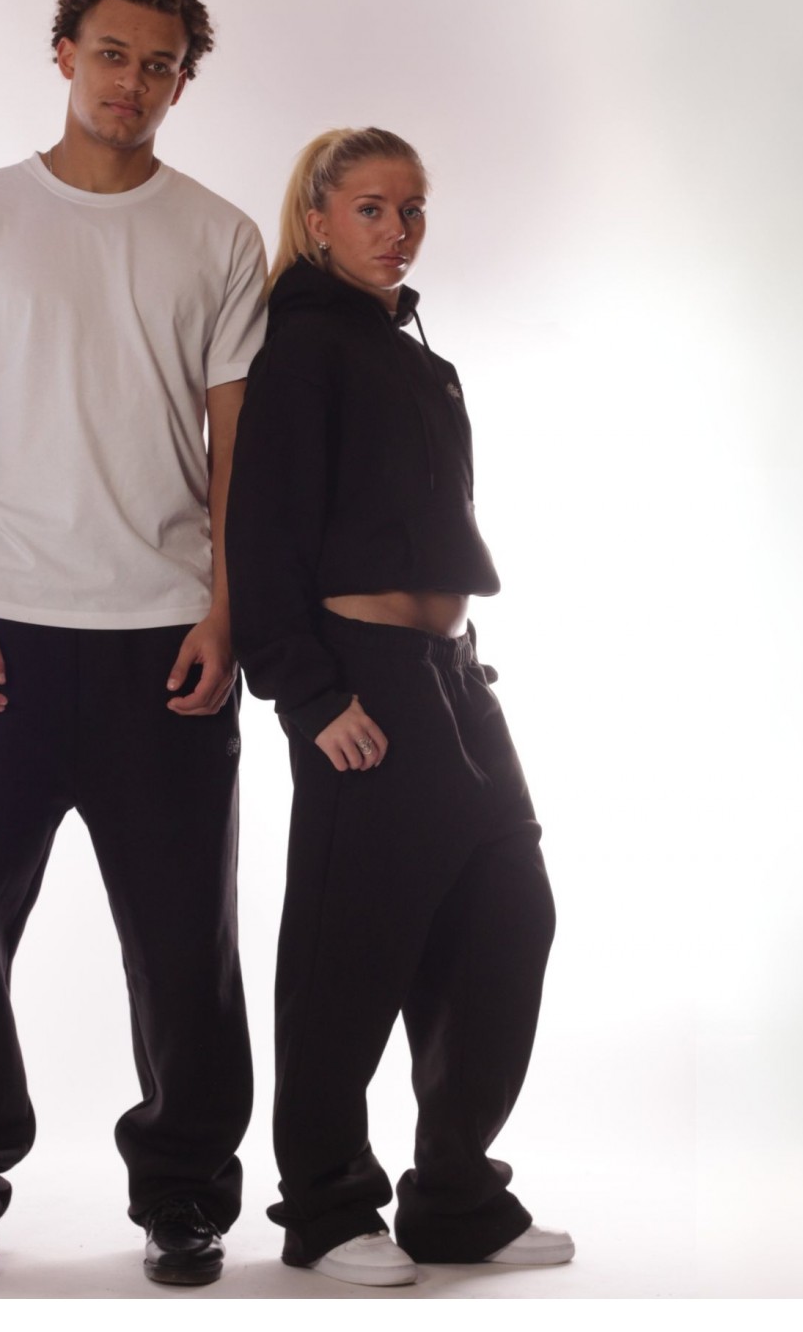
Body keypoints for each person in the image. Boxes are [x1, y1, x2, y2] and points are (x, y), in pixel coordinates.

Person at [0, 0, 263, 1286]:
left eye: (160, 65)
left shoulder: (217, 235)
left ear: (181, 81)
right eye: (112, 54)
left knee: (184, 937)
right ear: (64, 53)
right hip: (4, 634)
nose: (132, 83)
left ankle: (185, 1194)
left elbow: (237, 448)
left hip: (167, 635)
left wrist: (225, 608)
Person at [226, 127, 572, 1287]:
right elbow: (260, 534)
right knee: (351, 946)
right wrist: (308, 693)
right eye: (369, 208)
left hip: (452, 673)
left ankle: (454, 1199)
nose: (396, 230)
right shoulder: (300, 349)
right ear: (316, 218)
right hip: (358, 671)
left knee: (505, 911)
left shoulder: (416, 358)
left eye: (410, 208)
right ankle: (326, 1209)